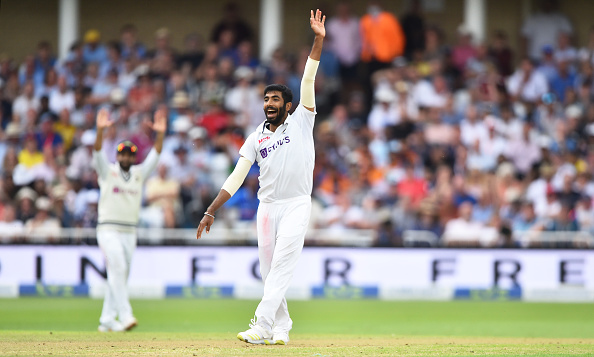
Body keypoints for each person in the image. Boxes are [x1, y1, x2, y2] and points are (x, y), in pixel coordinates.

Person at [196, 9, 326, 345]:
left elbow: (308, 80)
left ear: (288, 104)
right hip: (266, 208)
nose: (269, 103)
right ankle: (281, 328)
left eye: (275, 99)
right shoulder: (256, 137)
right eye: (266, 99)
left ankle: (260, 324)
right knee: (270, 273)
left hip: (297, 204)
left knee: (281, 266)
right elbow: (237, 176)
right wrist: (212, 209)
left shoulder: (301, 121)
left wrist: (318, 40)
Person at [92, 107, 165, 332]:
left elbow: (155, 156)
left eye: (129, 154)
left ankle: (106, 320)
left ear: (133, 157)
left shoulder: (139, 173)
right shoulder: (108, 172)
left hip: (130, 232)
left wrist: (160, 134)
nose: (126, 157)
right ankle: (125, 316)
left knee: (120, 275)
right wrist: (100, 132)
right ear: (117, 155)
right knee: (118, 268)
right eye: (122, 153)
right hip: (108, 229)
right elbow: (97, 153)